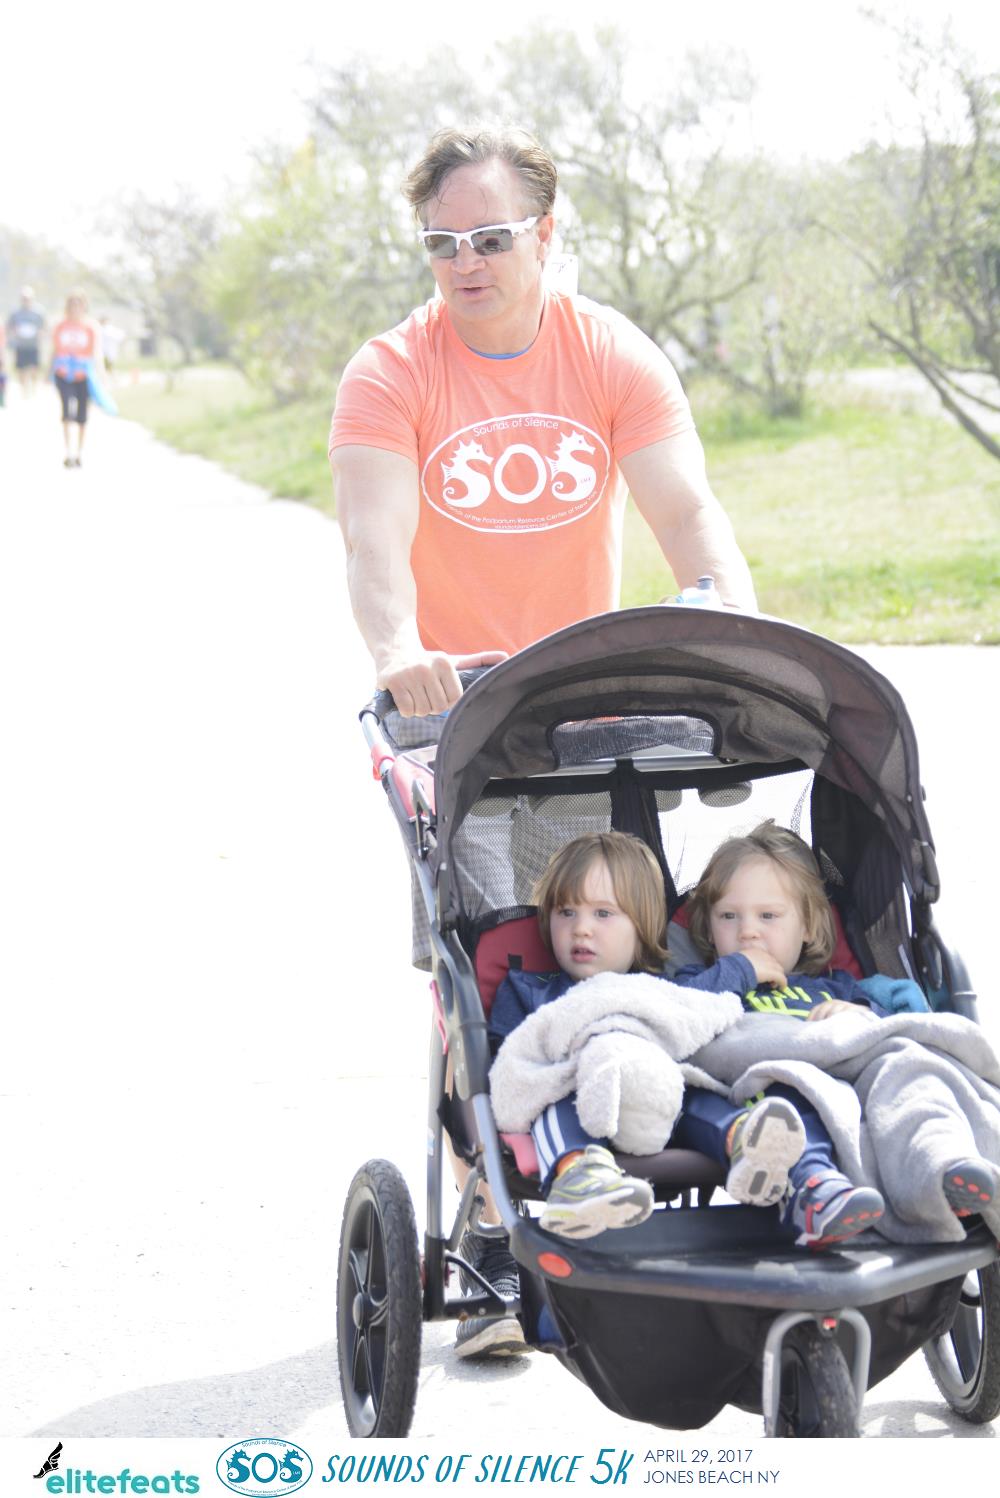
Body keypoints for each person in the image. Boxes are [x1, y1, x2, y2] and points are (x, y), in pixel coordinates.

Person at [328, 124, 757, 1356]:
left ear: (546, 233)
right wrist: (397, 647)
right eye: (441, 243)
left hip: (591, 711)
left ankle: (641, 1161)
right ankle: (492, 1200)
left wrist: (730, 619)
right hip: (459, 720)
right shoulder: (391, 371)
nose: (464, 263)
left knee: (611, 943)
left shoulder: (607, 350)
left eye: (490, 237)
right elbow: (372, 540)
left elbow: (686, 508)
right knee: (485, 960)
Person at [670, 822, 997, 1245]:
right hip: (772, 1079)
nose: (748, 931)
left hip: (852, 1082)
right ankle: (815, 1189)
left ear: (807, 927)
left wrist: (858, 1012)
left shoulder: (835, 986)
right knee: (790, 1093)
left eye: (768, 916)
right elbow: (677, 1015)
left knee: (910, 1069)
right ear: (709, 927)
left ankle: (943, 1160)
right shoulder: (706, 982)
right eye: (728, 916)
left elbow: (888, 1029)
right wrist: (740, 971)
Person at [50, 292, 103, 468]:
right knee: (66, 411)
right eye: (72, 304)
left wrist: (101, 374)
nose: (75, 308)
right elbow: (54, 350)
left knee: (82, 415)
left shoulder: (90, 327)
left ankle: (79, 452)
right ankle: (68, 452)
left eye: (79, 304)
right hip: (63, 373)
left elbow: (96, 352)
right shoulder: (60, 326)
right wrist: (48, 371)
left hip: (83, 374)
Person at [6, 286, 45, 397]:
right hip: (21, 345)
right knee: (21, 368)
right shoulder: (15, 312)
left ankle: (34, 388)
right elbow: (9, 326)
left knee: (34, 368)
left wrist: (40, 333)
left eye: (28, 298)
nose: (26, 300)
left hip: (34, 345)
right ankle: (24, 391)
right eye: (24, 298)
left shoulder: (38, 312)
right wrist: (14, 332)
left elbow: (44, 326)